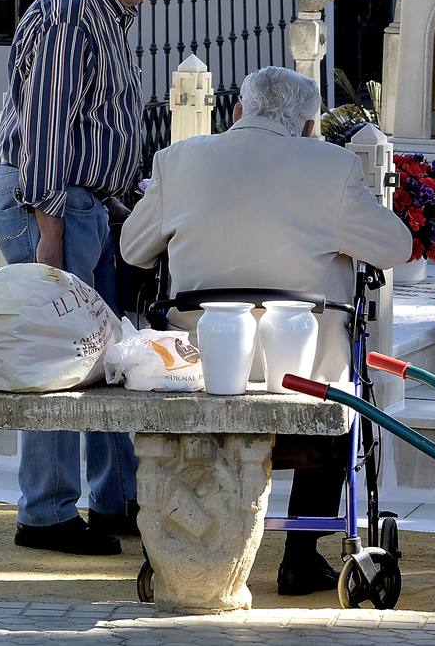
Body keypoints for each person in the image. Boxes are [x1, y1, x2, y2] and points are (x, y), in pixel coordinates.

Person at [119, 66, 413, 595]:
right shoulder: (332, 166)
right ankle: (301, 555)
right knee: (336, 367)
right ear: (307, 126)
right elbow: (395, 248)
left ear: (237, 112)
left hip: (202, 368)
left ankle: (182, 544)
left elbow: (133, 250)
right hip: (301, 376)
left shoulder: (179, 161)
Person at [0, 0, 180, 556]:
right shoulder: (74, 13)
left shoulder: (106, 10)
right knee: (53, 356)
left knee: (101, 355)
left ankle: (109, 499)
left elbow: (95, 127)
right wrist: (49, 235)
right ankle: (42, 513)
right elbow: (44, 134)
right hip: (51, 206)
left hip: (84, 206)